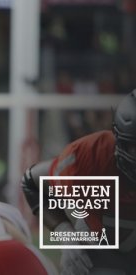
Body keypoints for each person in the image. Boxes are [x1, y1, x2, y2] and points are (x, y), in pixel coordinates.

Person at [22, 91, 136, 274]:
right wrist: (65, 233)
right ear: (120, 142)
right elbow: (32, 182)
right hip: (101, 246)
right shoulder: (90, 158)